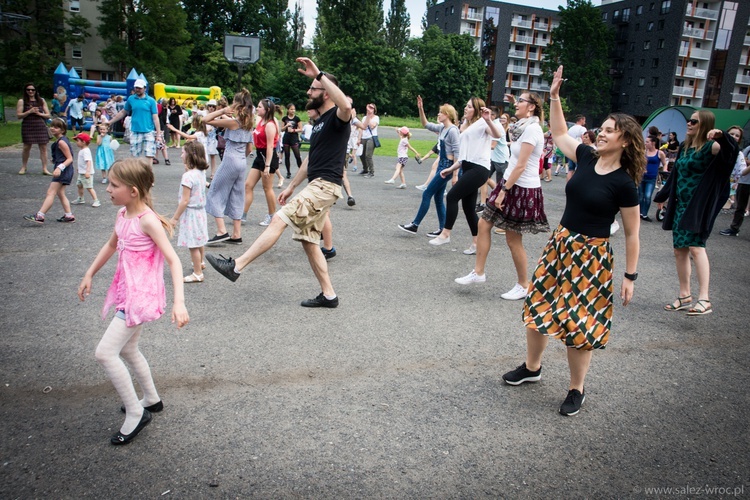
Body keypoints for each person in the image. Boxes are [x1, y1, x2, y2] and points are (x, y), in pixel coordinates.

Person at [502, 65, 643, 417]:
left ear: (625, 140)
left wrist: (629, 276)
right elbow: (560, 131)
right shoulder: (585, 156)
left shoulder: (625, 184)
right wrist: (553, 96)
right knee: (538, 307)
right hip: (561, 244)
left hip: (592, 256)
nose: (601, 134)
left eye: (610, 131)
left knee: (580, 322)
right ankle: (532, 368)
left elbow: (632, 233)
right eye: (603, 128)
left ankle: (576, 389)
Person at [205, 57, 352, 308]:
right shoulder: (319, 124)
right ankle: (329, 295)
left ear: (326, 93)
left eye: (314, 88)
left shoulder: (339, 116)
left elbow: (347, 106)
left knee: (278, 218)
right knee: (309, 242)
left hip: (326, 186)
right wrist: (292, 186)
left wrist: (319, 73)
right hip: (316, 184)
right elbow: (309, 161)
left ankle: (236, 266)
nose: (308, 91)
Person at [77, 158, 189, 445]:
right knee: (128, 350)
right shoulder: (123, 214)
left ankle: (136, 413)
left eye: (114, 185)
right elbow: (112, 245)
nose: (108, 190)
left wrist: (179, 303)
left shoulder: (147, 220)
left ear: (134, 191)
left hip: (140, 297)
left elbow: (174, 261)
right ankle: (151, 399)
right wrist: (89, 273)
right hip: (127, 292)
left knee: (105, 353)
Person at [454, 92, 549, 294]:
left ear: (532, 107)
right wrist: (491, 117)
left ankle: (524, 285)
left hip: (521, 187)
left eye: (521, 101)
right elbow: (507, 129)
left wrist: (504, 190)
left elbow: (521, 165)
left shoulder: (533, 130)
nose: (516, 104)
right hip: (508, 182)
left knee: (513, 239)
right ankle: (478, 272)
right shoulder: (521, 127)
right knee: (483, 223)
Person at [655, 111, 738, 316]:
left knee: (696, 247)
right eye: (689, 120)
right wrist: (663, 196)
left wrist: (722, 136)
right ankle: (684, 295)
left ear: (706, 125)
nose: (689, 123)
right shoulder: (685, 147)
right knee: (679, 250)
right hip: (680, 204)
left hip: (699, 204)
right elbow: (675, 175)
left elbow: (731, 154)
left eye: (694, 121)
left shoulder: (713, 146)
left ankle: (704, 298)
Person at [398, 97, 460, 237]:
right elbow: (425, 123)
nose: (438, 114)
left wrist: (454, 174)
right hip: (443, 166)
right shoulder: (442, 128)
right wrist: (420, 108)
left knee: (427, 193)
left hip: (447, 167)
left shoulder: (453, 131)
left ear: (448, 115)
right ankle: (443, 229)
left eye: (441, 112)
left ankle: (415, 225)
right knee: (438, 198)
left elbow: (458, 153)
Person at [203, 89, 254, 245]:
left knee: (214, 192)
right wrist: (226, 115)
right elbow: (250, 149)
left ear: (237, 105)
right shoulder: (249, 123)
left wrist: (222, 110)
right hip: (241, 162)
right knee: (237, 196)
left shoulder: (233, 123)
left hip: (230, 159)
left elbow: (205, 119)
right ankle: (236, 234)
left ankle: (221, 231)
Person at [169, 142, 209, 283]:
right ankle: (200, 263)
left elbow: (185, 200)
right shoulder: (201, 173)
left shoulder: (188, 177)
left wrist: (175, 218)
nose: (181, 155)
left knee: (193, 244)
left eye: (183, 152)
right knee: (200, 240)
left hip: (191, 213)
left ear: (190, 156)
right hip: (201, 212)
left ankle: (197, 273)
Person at [23, 118, 76, 224]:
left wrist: (59, 167)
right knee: (60, 192)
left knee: (50, 192)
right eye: (52, 126)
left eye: (56, 127)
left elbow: (70, 158)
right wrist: (55, 160)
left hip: (63, 170)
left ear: (62, 130)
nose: (52, 128)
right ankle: (69, 215)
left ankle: (40, 215)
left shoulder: (61, 142)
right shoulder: (60, 141)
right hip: (65, 169)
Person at [242, 98, 280, 227]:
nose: (257, 108)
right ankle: (242, 215)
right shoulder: (261, 121)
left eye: (259, 107)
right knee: (248, 185)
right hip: (259, 156)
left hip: (267, 157)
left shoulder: (270, 124)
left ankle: (272, 216)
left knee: (267, 188)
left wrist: (268, 165)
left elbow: (270, 146)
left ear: (267, 110)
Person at [108, 79, 164, 160]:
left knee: (149, 155)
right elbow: (123, 112)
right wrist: (110, 122)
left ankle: (148, 172)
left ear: (145, 88)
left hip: (148, 131)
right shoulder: (131, 99)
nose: (137, 89)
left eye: (139, 88)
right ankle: (135, 172)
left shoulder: (151, 101)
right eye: (136, 87)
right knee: (134, 156)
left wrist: (158, 134)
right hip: (135, 130)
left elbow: (155, 117)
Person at [17, 83, 51, 175]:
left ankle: (45, 168)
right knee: (26, 147)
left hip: (40, 125)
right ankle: (24, 166)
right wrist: (29, 111)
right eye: (28, 90)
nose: (30, 91)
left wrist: (40, 114)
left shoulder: (41, 100)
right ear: (25, 91)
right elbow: (19, 116)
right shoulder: (22, 101)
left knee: (43, 148)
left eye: (32, 90)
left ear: (36, 91)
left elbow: (48, 115)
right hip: (28, 125)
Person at [720, 127, 749, 237]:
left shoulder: (739, 154)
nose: (734, 137)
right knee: (740, 207)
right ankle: (734, 228)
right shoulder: (717, 147)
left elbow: (742, 171)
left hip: (732, 183)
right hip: (742, 182)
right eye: (731, 134)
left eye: (737, 135)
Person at [639, 135, 667, 221]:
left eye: (647, 142)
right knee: (640, 196)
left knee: (647, 196)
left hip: (651, 178)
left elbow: (664, 163)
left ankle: (645, 214)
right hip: (642, 177)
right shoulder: (644, 152)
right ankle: (639, 213)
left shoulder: (659, 153)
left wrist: (665, 170)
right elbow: (640, 163)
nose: (645, 143)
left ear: (653, 143)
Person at [70, 132, 101, 208]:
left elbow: (88, 162)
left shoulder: (86, 151)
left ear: (83, 142)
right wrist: (79, 168)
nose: (76, 142)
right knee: (79, 185)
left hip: (86, 173)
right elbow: (82, 161)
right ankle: (81, 198)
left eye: (77, 141)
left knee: (89, 187)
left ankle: (96, 200)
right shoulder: (82, 150)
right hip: (82, 172)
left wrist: (87, 171)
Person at [281, 104, 303, 178]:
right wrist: (286, 126)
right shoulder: (284, 118)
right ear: (288, 110)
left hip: (294, 138)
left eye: (294, 109)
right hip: (286, 138)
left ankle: (301, 171)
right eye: (291, 109)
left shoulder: (297, 119)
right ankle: (288, 172)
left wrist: (293, 130)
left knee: (297, 156)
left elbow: (301, 129)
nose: (293, 111)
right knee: (287, 156)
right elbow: (281, 129)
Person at [358, 103, 379, 177]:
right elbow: (362, 128)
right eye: (369, 107)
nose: (370, 109)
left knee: (368, 155)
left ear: (374, 110)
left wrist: (369, 116)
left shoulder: (376, 118)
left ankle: (371, 172)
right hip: (364, 137)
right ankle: (365, 169)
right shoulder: (364, 118)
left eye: (372, 108)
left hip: (371, 137)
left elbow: (372, 126)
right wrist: (359, 138)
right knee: (361, 154)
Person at [566, 114, 587, 181]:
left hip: (570, 150)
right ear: (581, 120)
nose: (585, 122)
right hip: (579, 150)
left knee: (570, 169)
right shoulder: (582, 129)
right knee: (579, 169)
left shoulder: (571, 129)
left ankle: (568, 185)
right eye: (584, 120)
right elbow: (584, 138)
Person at [204, 100, 220, 177]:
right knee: (203, 155)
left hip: (213, 137)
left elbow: (218, 127)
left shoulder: (216, 116)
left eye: (213, 106)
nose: (211, 108)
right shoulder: (205, 114)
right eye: (210, 106)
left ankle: (213, 173)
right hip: (205, 137)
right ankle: (202, 172)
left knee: (212, 156)